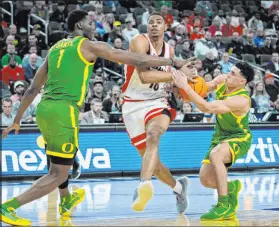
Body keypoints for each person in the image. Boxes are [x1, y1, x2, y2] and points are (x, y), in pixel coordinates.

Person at [1, 9, 190, 226]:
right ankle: (8, 207)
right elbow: (134, 58)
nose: (94, 27)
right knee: (57, 174)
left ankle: (66, 199)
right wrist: (172, 62)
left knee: (63, 158)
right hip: (65, 111)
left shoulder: (55, 48)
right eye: (90, 23)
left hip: (44, 109)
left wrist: (18, 119)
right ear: (79, 27)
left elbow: (33, 88)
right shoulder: (89, 45)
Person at [121, 12, 196, 214]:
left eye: (159, 22)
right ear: (147, 27)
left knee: (154, 135)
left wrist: (184, 85)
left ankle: (143, 186)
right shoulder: (139, 41)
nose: (154, 25)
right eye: (151, 22)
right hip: (132, 105)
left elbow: (168, 82)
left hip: (156, 103)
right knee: (154, 165)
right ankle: (179, 188)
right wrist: (176, 72)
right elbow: (145, 76)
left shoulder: (170, 51)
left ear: (165, 28)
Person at [172, 62, 254, 221]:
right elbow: (202, 89)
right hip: (219, 137)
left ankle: (224, 206)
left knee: (216, 156)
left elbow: (207, 108)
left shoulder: (241, 100)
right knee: (206, 180)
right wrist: (184, 83)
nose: (228, 75)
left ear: (242, 82)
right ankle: (231, 188)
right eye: (230, 71)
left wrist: (185, 87)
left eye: (234, 74)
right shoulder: (223, 80)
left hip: (238, 138)